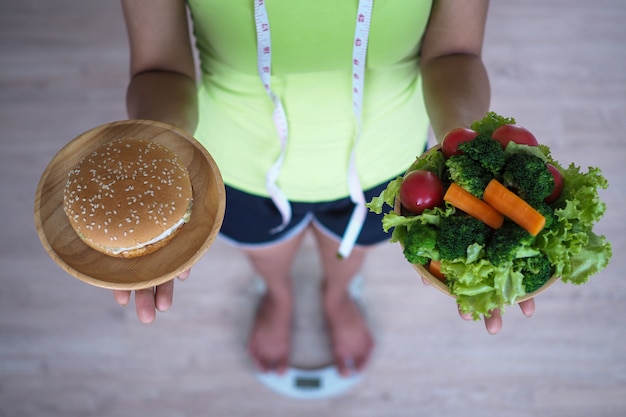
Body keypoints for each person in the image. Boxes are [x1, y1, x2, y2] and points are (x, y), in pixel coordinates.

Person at [112, 0, 536, 377]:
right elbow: (159, 67)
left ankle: (337, 297)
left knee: (348, 256)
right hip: (237, 169)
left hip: (390, 173)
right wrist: (156, 159)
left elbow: (454, 52)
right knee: (268, 256)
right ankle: (279, 296)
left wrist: (468, 159)